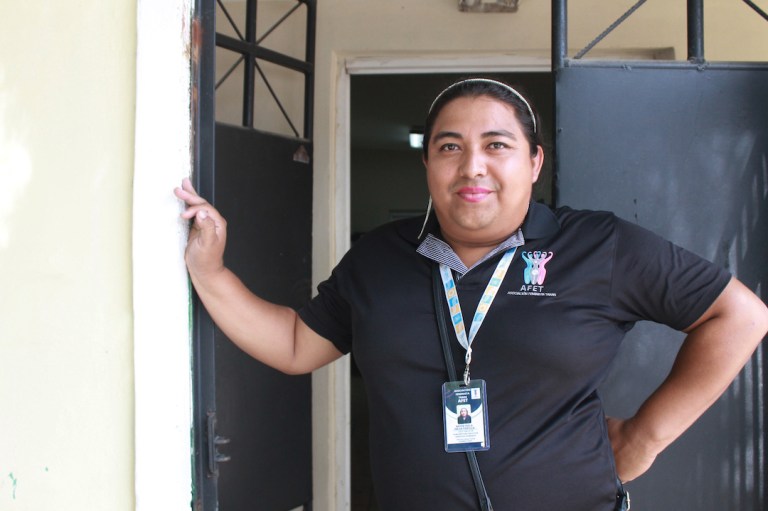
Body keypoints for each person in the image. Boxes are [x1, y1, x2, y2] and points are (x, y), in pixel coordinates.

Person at [175, 78, 768, 510]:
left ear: (534, 162)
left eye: (497, 145)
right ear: (429, 164)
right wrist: (212, 271)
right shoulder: (380, 259)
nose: (472, 166)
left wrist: (645, 438)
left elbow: (739, 316)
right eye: (450, 146)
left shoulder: (597, 247)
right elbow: (295, 344)